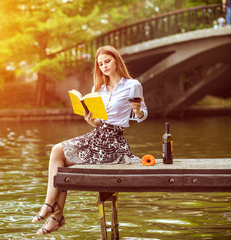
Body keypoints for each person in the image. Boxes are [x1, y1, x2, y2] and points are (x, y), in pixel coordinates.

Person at [31, 45, 148, 235]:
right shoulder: (98, 88)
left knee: (61, 161)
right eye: (100, 64)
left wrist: (137, 110)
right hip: (97, 135)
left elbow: (143, 116)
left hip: (113, 143)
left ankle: (54, 212)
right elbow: (99, 120)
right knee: (57, 150)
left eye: (107, 61)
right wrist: (91, 121)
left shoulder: (132, 85)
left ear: (116, 60)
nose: (104, 66)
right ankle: (54, 211)